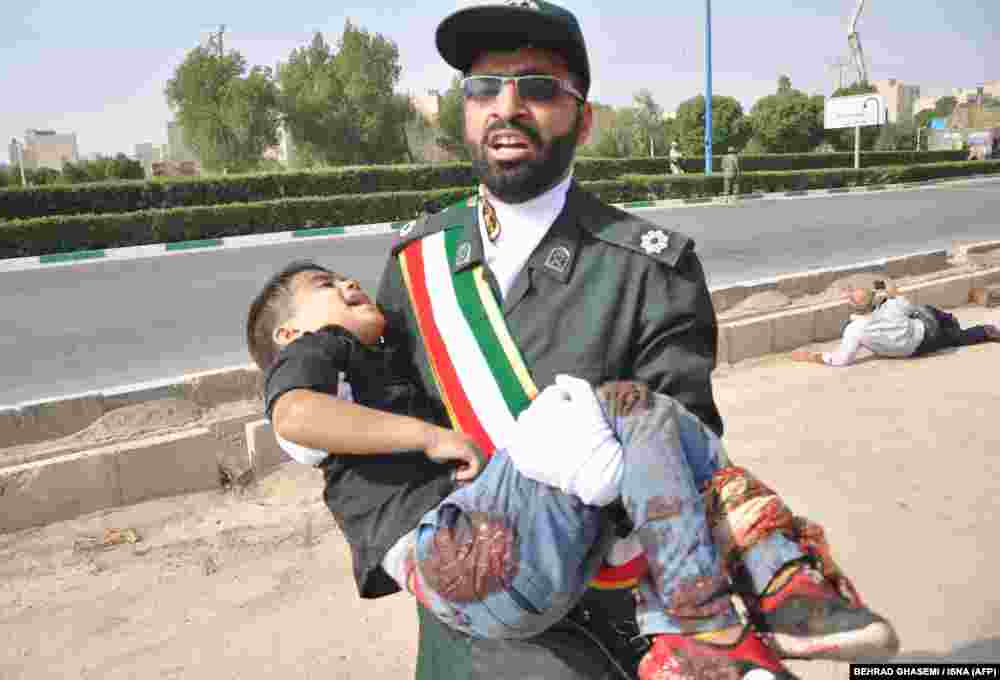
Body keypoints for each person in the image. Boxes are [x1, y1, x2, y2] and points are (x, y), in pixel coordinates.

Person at [277, 2, 897, 677]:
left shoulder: (649, 268)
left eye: (538, 88)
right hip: (464, 632)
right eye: (483, 87)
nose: (505, 107)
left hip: (597, 638)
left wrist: (594, 476)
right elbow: (378, 425)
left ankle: (734, 612)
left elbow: (689, 461)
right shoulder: (415, 262)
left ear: (584, 117)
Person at [248, 263, 896, 680]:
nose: (347, 283)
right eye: (324, 288)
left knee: (654, 438)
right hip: (452, 553)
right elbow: (296, 418)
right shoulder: (317, 352)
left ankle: (720, 617)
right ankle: (740, 603)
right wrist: (431, 436)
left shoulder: (379, 362)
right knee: (619, 405)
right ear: (288, 335)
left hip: (506, 587)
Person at [792, 284, 1000, 367]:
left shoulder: (854, 329)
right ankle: (952, 321)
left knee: (951, 338)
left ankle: (980, 331)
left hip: (913, 349)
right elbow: (907, 304)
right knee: (924, 309)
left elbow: (841, 359)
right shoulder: (892, 307)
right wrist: (892, 291)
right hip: (926, 332)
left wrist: (811, 357)